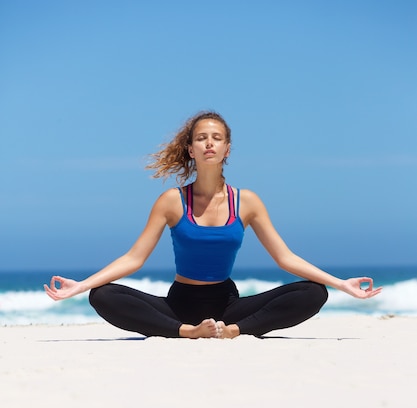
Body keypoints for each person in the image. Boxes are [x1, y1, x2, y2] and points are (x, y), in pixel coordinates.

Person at [44, 111, 382, 339]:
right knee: (102, 296)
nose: (209, 143)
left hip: (229, 306)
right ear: (190, 149)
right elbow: (134, 258)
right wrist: (80, 287)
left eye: (216, 138)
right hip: (178, 306)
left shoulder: (246, 201)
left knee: (312, 292)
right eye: (202, 138)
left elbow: (285, 258)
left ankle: (234, 330)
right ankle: (187, 332)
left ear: (226, 149)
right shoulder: (172, 202)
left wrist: (342, 284)